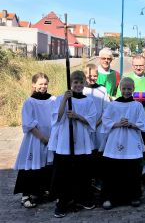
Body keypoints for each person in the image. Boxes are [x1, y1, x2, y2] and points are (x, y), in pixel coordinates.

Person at [48, 71, 97, 218]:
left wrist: (77, 116)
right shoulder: (60, 98)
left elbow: (91, 120)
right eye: (75, 82)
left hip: (81, 139)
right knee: (64, 172)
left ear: (84, 84)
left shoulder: (88, 101)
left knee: (81, 171)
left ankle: (82, 197)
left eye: (81, 82)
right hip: (65, 139)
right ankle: (62, 202)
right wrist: (64, 99)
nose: (78, 85)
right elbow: (56, 117)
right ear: (70, 83)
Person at [100, 77, 145, 209]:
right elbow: (105, 119)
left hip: (132, 141)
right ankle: (110, 197)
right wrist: (116, 124)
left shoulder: (137, 105)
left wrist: (132, 124)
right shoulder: (113, 105)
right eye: (124, 88)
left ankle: (133, 196)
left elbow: (143, 123)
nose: (127, 91)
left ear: (133, 89)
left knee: (132, 170)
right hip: (115, 141)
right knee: (113, 171)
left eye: (129, 89)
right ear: (120, 89)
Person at [13, 73, 56, 208]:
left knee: (47, 165)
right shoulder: (29, 102)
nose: (43, 86)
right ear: (33, 85)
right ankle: (26, 195)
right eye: (40, 84)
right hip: (35, 138)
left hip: (50, 137)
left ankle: (43, 190)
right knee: (32, 166)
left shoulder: (53, 100)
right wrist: (43, 138)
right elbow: (28, 124)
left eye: (45, 84)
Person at [117, 55, 145, 185]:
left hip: (144, 120)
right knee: (130, 146)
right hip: (129, 121)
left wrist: (144, 112)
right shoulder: (126, 79)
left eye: (141, 65)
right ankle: (130, 173)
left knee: (144, 147)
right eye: (136, 65)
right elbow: (120, 97)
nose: (138, 67)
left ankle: (143, 174)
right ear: (132, 65)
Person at [83, 63, 110, 190]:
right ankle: (88, 181)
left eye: (95, 75)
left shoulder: (102, 90)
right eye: (89, 75)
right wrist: (88, 124)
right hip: (84, 127)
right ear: (84, 75)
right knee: (87, 155)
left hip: (99, 127)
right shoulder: (81, 90)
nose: (92, 78)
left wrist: (95, 124)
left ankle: (99, 180)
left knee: (99, 155)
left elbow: (106, 110)